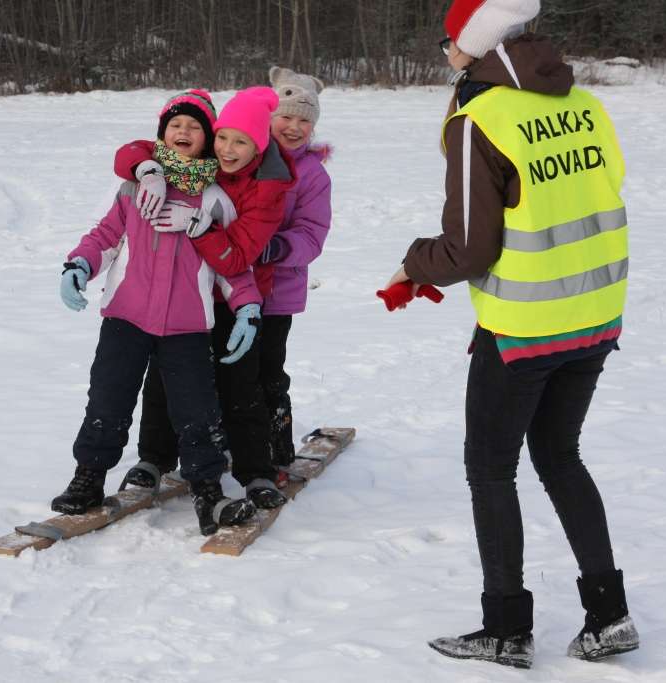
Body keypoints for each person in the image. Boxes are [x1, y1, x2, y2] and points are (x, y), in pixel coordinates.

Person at [385, 0, 639, 669]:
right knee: (560, 456)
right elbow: (602, 185)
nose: (445, 53)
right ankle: (608, 616)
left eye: (448, 41)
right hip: (594, 313)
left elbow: (469, 248)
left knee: (490, 469)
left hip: (523, 326)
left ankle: (505, 627)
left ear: (472, 45)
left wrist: (415, 263)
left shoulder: (483, 118)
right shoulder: (583, 102)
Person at [51, 89, 261, 536]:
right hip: (125, 317)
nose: (183, 131)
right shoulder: (133, 186)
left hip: (187, 327)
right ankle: (88, 477)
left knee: (196, 412)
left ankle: (208, 491)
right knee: (108, 398)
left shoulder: (216, 200)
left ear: (208, 138)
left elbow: (230, 264)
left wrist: (247, 309)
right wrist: (79, 265)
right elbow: (105, 236)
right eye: (174, 125)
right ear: (162, 134)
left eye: (194, 126)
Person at [115, 87, 295, 509]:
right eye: (223, 137)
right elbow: (135, 150)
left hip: (236, 298)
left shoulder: (268, 187)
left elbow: (241, 256)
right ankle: (154, 459)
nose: (229, 150)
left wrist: (199, 227)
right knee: (164, 379)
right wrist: (146, 169)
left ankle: (255, 470)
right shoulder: (198, 161)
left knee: (239, 384)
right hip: (183, 294)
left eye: (241, 141)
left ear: (259, 144)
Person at [259, 66, 333, 467]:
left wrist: (277, 248)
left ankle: (277, 451)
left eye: (304, 120)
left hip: (277, 293)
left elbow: (312, 233)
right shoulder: (244, 155)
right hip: (231, 288)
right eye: (286, 116)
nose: (294, 126)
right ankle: (233, 443)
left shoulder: (312, 175)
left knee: (269, 372)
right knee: (227, 372)